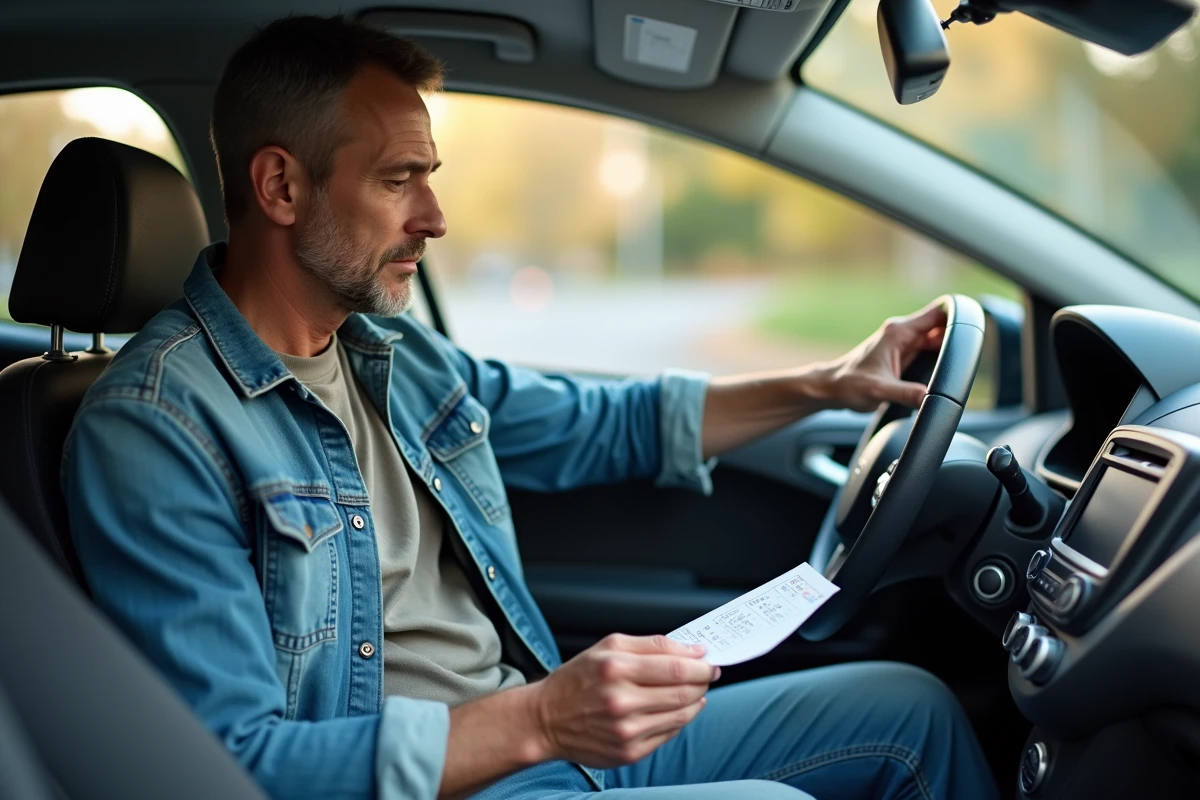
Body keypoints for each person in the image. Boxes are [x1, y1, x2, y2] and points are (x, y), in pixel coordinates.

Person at [62, 15, 998, 800]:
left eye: (429, 176)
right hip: (457, 775)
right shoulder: (155, 427)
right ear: (280, 186)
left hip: (534, 742)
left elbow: (605, 424)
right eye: (399, 180)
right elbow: (230, 764)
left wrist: (829, 384)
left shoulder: (392, 352)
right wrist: (544, 716)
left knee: (910, 709)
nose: (433, 216)